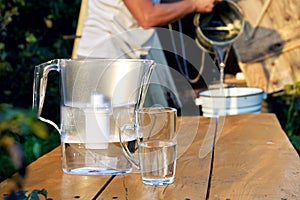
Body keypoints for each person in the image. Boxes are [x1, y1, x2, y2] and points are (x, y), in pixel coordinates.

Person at [76, 0, 219, 109]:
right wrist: (193, 4)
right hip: (103, 63)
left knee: (123, 137)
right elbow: (147, 16)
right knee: (102, 141)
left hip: (121, 61)